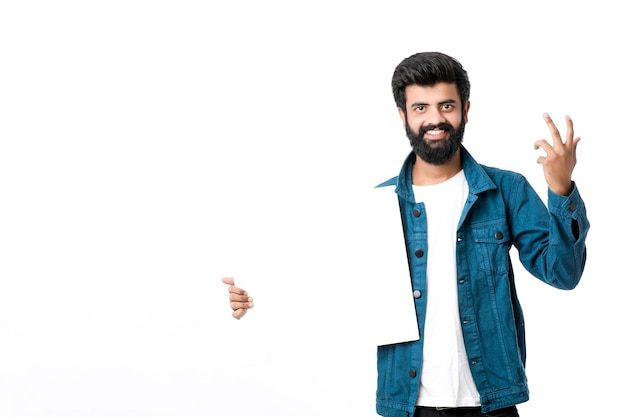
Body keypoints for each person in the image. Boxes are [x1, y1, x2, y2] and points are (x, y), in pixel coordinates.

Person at [222, 51, 589, 417]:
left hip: (490, 403)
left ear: (466, 109)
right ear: (403, 115)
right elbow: (327, 289)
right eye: (420, 108)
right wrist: (256, 302)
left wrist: (561, 189)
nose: (435, 119)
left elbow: (563, 273)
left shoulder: (505, 190)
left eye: (446, 105)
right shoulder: (378, 205)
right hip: (409, 405)